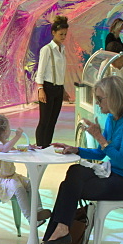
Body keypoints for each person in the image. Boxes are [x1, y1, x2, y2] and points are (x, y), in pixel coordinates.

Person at [33, 76, 123, 244]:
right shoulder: (112, 118)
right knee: (74, 172)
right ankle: (58, 234)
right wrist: (75, 149)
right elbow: (101, 154)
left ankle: (55, 239)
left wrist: (101, 138)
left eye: (100, 98)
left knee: (70, 186)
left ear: (114, 98)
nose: (97, 102)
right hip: (113, 174)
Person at [0, 114, 49, 223]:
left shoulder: (4, 143)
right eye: (8, 128)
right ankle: (31, 219)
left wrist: (29, 147)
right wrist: (17, 136)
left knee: (31, 184)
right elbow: (5, 149)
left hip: (13, 176)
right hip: (2, 180)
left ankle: (38, 210)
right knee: (19, 189)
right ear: (4, 132)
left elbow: (15, 150)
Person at [34, 15, 72, 148]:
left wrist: (63, 89)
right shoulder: (47, 49)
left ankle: (47, 146)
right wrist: (40, 89)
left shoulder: (62, 49)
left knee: (52, 121)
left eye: (65, 34)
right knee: (44, 120)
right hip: (47, 87)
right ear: (53, 32)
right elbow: (41, 71)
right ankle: (40, 146)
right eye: (61, 34)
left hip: (58, 88)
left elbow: (60, 72)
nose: (63, 37)